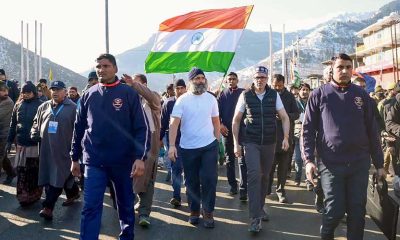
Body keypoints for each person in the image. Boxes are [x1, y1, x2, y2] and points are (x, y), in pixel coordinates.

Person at [302, 53, 385, 240]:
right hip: (330, 164)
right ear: (332, 69)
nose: (345, 71)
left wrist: (379, 165)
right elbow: (307, 130)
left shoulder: (362, 96)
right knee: (334, 211)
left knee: (357, 212)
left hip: (359, 164)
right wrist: (308, 160)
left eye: (348, 67)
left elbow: (373, 132)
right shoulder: (319, 94)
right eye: (340, 67)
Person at [70, 53, 149, 240]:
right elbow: (78, 128)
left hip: (122, 162)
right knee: (90, 206)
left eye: (105, 66)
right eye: (98, 66)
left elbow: (141, 127)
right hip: (94, 161)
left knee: (125, 206)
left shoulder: (128, 93)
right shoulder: (88, 94)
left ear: (115, 69)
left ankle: (126, 236)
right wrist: (74, 158)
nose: (101, 69)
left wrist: (140, 157)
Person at [232, 66, 290, 233]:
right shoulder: (245, 95)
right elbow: (236, 121)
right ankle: (255, 218)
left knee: (265, 177)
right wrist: (236, 144)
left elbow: (285, 117)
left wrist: (285, 138)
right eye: (257, 77)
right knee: (254, 175)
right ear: (253, 78)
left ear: (267, 79)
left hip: (269, 143)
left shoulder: (274, 95)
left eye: (263, 77)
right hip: (251, 142)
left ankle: (260, 207)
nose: (260, 80)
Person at [168, 67, 220, 228]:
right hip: (188, 148)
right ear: (190, 81)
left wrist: (217, 142)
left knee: (209, 179)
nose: (200, 81)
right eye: (196, 78)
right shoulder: (182, 100)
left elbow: (216, 122)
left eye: (202, 78)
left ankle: (208, 212)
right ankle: (194, 211)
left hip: (209, 146)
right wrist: (171, 146)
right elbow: (174, 123)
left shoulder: (211, 99)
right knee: (191, 181)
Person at [30, 80, 80, 220]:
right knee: (52, 176)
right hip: (46, 150)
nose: (55, 92)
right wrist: (34, 131)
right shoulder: (44, 106)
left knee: (57, 176)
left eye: (58, 89)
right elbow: (36, 122)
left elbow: (79, 130)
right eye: (53, 89)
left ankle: (48, 207)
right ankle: (73, 193)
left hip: (64, 150)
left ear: (65, 92)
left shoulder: (73, 108)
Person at [123, 73, 161, 227]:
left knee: (148, 179)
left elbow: (153, 100)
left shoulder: (152, 99)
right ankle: (126, 209)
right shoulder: (129, 101)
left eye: (137, 84)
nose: (133, 87)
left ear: (144, 85)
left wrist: (134, 85)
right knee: (129, 176)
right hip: (130, 142)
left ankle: (144, 213)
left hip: (150, 143)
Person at [7, 82, 43, 206]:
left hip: (35, 145)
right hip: (21, 144)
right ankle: (23, 196)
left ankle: (34, 195)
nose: (26, 95)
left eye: (28, 92)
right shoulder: (18, 105)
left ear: (33, 92)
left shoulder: (41, 105)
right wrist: (9, 141)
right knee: (22, 171)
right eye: (24, 93)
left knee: (33, 171)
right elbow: (13, 124)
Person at [268, 74, 300, 203]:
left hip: (286, 138)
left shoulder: (289, 97)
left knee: (282, 168)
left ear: (283, 84)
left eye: (279, 86)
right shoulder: (268, 95)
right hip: (270, 138)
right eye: (275, 85)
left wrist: (285, 116)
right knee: (269, 167)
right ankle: (267, 189)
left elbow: (296, 114)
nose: (277, 88)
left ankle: (281, 191)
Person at [217, 72, 246, 198]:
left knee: (242, 159)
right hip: (227, 132)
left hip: (243, 131)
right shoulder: (222, 95)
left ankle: (244, 187)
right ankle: (233, 185)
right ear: (226, 81)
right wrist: (220, 124)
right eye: (229, 79)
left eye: (233, 79)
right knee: (229, 159)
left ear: (237, 80)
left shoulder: (243, 93)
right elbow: (216, 113)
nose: (231, 81)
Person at [160, 79, 187, 207]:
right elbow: (163, 124)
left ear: (186, 88)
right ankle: (176, 196)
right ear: (174, 89)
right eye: (178, 88)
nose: (180, 90)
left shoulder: (190, 101)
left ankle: (190, 193)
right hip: (174, 142)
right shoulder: (168, 103)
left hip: (190, 142)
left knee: (189, 170)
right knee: (176, 170)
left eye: (182, 88)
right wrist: (159, 139)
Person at [293, 83, 311, 186]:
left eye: (307, 90)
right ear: (299, 91)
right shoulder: (294, 103)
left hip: (309, 134)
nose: (305, 92)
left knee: (309, 159)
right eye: (303, 90)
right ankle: (298, 178)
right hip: (297, 133)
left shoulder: (312, 101)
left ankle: (308, 181)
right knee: (298, 159)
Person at [0, 82, 16, 184]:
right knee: (3, 156)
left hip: (4, 133)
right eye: (2, 90)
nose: (5, 93)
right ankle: (11, 172)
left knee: (0, 156)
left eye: (6, 90)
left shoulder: (8, 102)